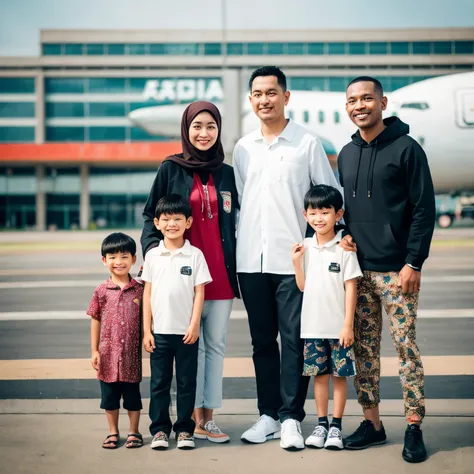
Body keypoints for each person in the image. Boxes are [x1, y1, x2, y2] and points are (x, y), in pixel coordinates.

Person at [233, 66, 342, 450]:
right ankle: (268, 415)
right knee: (261, 341)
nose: (265, 100)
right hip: (250, 261)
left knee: (294, 340)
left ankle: (292, 417)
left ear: (286, 97)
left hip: (293, 262)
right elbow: (243, 204)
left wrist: (331, 243)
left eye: (272, 92)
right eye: (258, 94)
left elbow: (332, 196)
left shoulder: (306, 143)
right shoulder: (243, 148)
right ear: (251, 100)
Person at [338, 76, 435, 463]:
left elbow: (423, 209)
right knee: (364, 352)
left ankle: (413, 426)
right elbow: (346, 207)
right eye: (352, 100)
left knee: (406, 350)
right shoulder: (345, 153)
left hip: (398, 272)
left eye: (367, 98)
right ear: (347, 107)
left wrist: (414, 262)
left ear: (383, 102)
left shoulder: (407, 149)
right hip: (358, 273)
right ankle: (373, 424)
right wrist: (344, 233)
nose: (360, 105)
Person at [141, 101, 239, 443]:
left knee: (215, 347)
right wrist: (154, 256)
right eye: (197, 126)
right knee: (189, 347)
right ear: (186, 129)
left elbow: (239, 218)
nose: (204, 133)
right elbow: (151, 217)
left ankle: (207, 418)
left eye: (211, 126)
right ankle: (187, 419)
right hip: (182, 279)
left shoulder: (226, 172)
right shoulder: (171, 168)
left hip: (221, 276)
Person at [291, 185, 362, 450]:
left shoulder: (344, 248)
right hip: (312, 327)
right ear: (305, 215)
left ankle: (336, 427)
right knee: (318, 377)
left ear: (338, 214)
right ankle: (320, 424)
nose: (319, 218)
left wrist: (347, 325)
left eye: (325, 212)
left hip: (338, 329)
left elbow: (351, 287)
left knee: (338, 377)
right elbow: (302, 287)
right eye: (313, 213)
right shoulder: (305, 246)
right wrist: (297, 263)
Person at [142, 194, 212, 451]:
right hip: (158, 333)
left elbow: (200, 293)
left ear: (188, 222)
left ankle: (184, 429)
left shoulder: (195, 255)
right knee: (159, 384)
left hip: (186, 334)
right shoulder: (152, 256)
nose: (172, 224)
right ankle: (160, 430)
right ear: (157, 223)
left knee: (186, 383)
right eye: (166, 219)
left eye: (178, 219)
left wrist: (194, 325)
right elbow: (147, 293)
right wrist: (145, 331)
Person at [87, 232, 144, 450]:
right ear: (104, 260)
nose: (118, 262)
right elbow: (95, 320)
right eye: (112, 257)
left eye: (124, 256)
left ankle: (134, 431)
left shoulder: (139, 289)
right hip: (108, 356)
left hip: (131, 356)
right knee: (109, 399)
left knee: (132, 398)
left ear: (133, 259)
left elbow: (146, 318)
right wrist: (94, 350)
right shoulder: (101, 290)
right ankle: (113, 432)